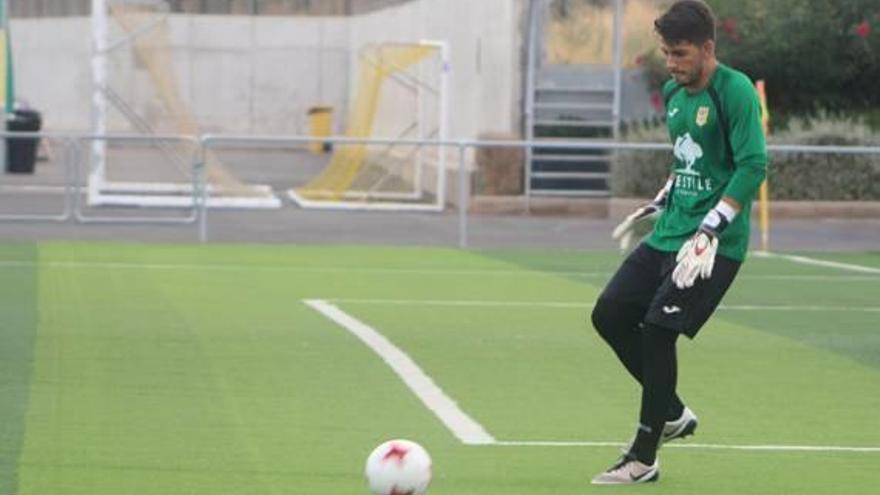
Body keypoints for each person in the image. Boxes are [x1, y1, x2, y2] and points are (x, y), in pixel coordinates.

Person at [590, 0, 767, 484]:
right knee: (609, 314)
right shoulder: (674, 92)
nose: (671, 63)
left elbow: (753, 166)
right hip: (670, 231)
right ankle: (671, 413)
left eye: (681, 53)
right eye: (666, 53)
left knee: (658, 332)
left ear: (708, 48)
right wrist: (660, 199)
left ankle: (644, 457)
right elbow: (687, 161)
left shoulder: (735, 93)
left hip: (714, 245)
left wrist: (711, 227)